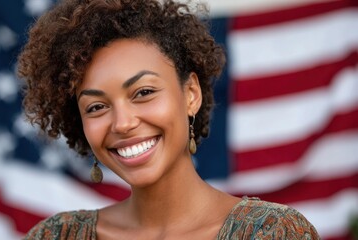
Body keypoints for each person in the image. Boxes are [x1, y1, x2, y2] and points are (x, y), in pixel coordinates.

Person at [18, 0, 320, 239]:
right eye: (96, 107)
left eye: (143, 92)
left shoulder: (272, 233)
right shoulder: (56, 235)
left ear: (190, 94)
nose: (122, 123)